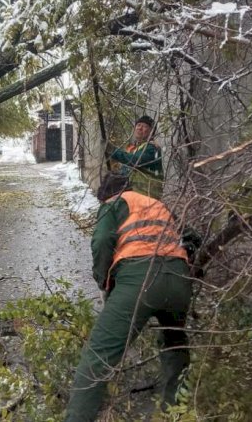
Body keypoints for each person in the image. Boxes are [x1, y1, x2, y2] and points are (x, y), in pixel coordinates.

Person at [65, 174, 192, 422]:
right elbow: (191, 237)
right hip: (179, 279)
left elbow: (102, 241)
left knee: (98, 355)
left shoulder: (112, 204)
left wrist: (104, 281)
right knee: (174, 343)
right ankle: (174, 412)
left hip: (139, 281)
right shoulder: (157, 204)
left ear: (105, 195)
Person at [107, 115, 163, 196]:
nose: (140, 128)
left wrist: (112, 150)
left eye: (145, 126)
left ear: (151, 131)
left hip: (147, 196)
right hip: (135, 194)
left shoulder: (152, 148)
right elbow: (126, 171)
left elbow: (135, 161)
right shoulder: (134, 148)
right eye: (138, 125)